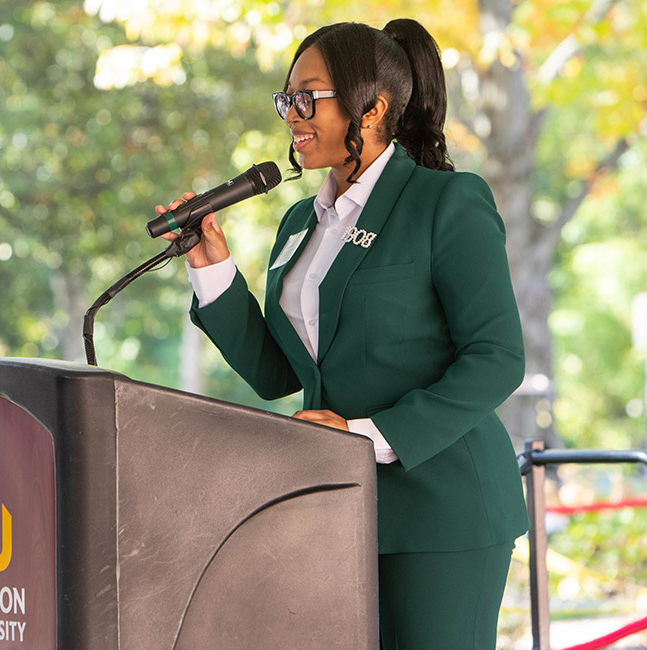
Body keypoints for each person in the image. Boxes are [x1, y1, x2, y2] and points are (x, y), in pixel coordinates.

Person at [156, 19, 528, 649]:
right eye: (286, 100)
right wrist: (212, 268)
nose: (292, 116)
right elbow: (282, 373)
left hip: (443, 508)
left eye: (308, 97)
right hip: (334, 506)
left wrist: (365, 437)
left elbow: (497, 358)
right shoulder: (302, 221)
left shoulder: (447, 202)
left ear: (374, 107)